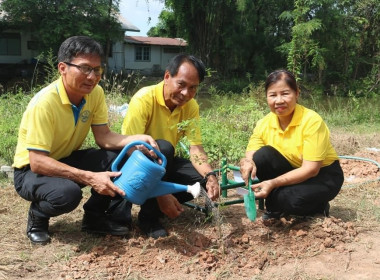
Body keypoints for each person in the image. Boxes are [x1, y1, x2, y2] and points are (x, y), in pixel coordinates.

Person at [12, 36, 158, 245]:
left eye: (97, 70)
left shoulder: (94, 93)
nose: (92, 77)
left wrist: (136, 140)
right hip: (31, 170)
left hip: (65, 158)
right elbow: (37, 161)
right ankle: (38, 215)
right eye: (85, 68)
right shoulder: (44, 103)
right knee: (67, 194)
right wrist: (90, 177)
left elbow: (104, 137)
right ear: (62, 68)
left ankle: (94, 218)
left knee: (123, 158)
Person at [121, 54, 220, 238]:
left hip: (165, 162)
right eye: (181, 84)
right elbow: (130, 148)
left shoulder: (190, 107)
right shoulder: (144, 98)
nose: (185, 93)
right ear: (167, 77)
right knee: (164, 148)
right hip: (137, 163)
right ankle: (148, 218)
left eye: (193, 88)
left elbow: (195, 148)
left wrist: (211, 175)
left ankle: (158, 206)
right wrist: (161, 192)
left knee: (202, 182)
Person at [240, 70, 344, 220]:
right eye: (273, 95)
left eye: (285, 93)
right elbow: (252, 151)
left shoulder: (311, 121)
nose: (279, 100)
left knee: (289, 199)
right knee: (261, 156)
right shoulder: (264, 123)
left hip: (322, 175)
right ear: (266, 97)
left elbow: (311, 169)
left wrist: (273, 183)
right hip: (293, 170)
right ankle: (277, 206)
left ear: (297, 93)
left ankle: (318, 205)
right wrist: (248, 162)